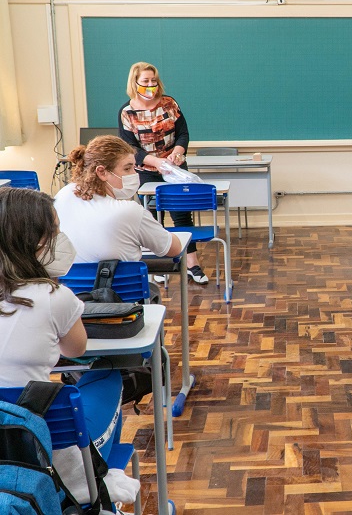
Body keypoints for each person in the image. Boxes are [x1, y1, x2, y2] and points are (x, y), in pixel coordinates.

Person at [0, 187, 138, 504]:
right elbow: (75, 350)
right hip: (40, 443)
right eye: (56, 231)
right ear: (36, 241)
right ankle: (99, 485)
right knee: (107, 375)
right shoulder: (54, 297)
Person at [118, 61, 208, 283]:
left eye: (153, 81)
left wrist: (177, 151)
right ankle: (159, 265)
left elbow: (183, 133)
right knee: (153, 218)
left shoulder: (169, 103)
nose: (150, 85)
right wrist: (155, 162)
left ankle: (192, 264)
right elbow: (130, 148)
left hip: (175, 168)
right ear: (135, 83)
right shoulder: (127, 112)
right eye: (145, 81)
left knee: (182, 215)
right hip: (146, 171)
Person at [54, 135, 184, 263]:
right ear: (102, 172)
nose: (134, 174)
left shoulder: (62, 195)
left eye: (134, 167)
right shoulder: (130, 211)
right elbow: (174, 249)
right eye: (127, 169)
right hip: (118, 284)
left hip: (69, 284)